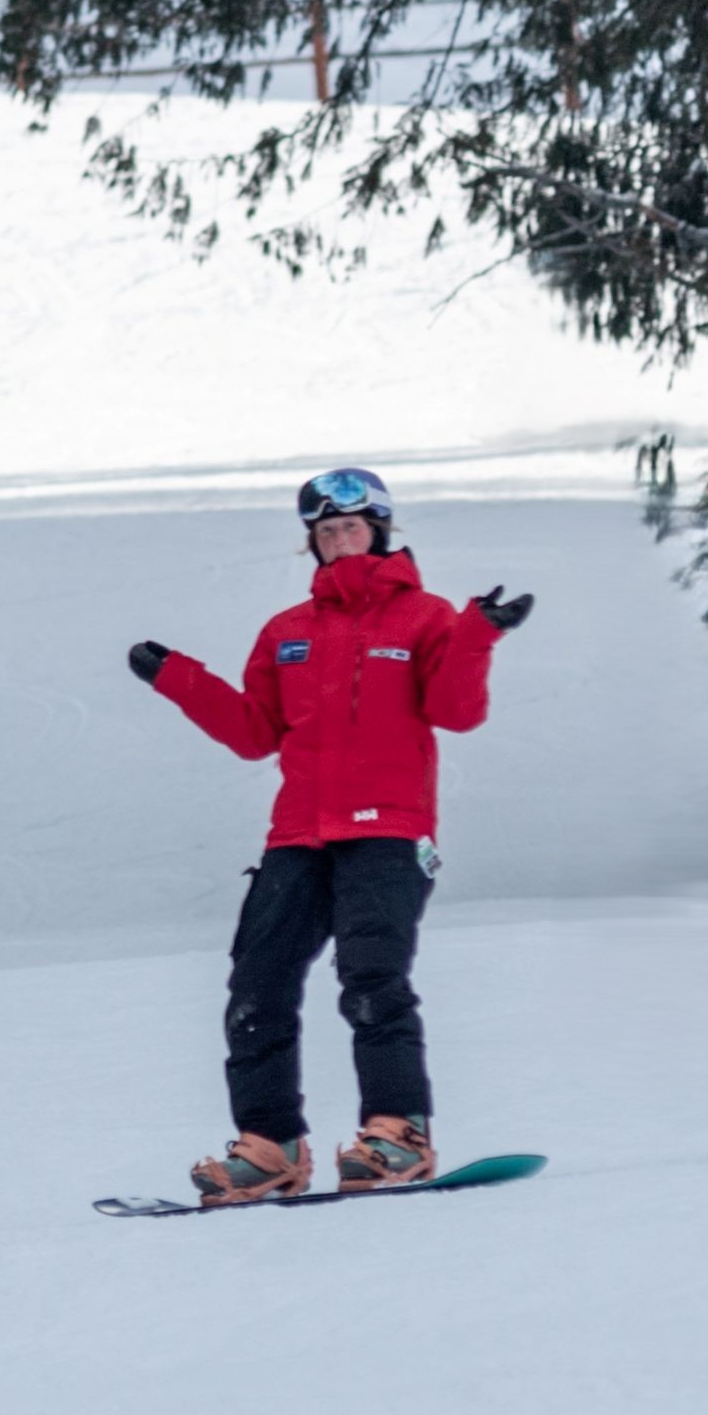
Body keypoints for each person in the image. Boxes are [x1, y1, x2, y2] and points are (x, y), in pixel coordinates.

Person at [127, 469, 534, 1203]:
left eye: (351, 527)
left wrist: (477, 633)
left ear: (380, 530)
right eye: (325, 532)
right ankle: (270, 1147)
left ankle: (397, 1134)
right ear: (311, 542)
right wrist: (178, 678)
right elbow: (256, 734)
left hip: (389, 828)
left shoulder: (427, 617)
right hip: (298, 834)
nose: (339, 540)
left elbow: (455, 709)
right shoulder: (287, 631)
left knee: (372, 977)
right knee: (258, 985)